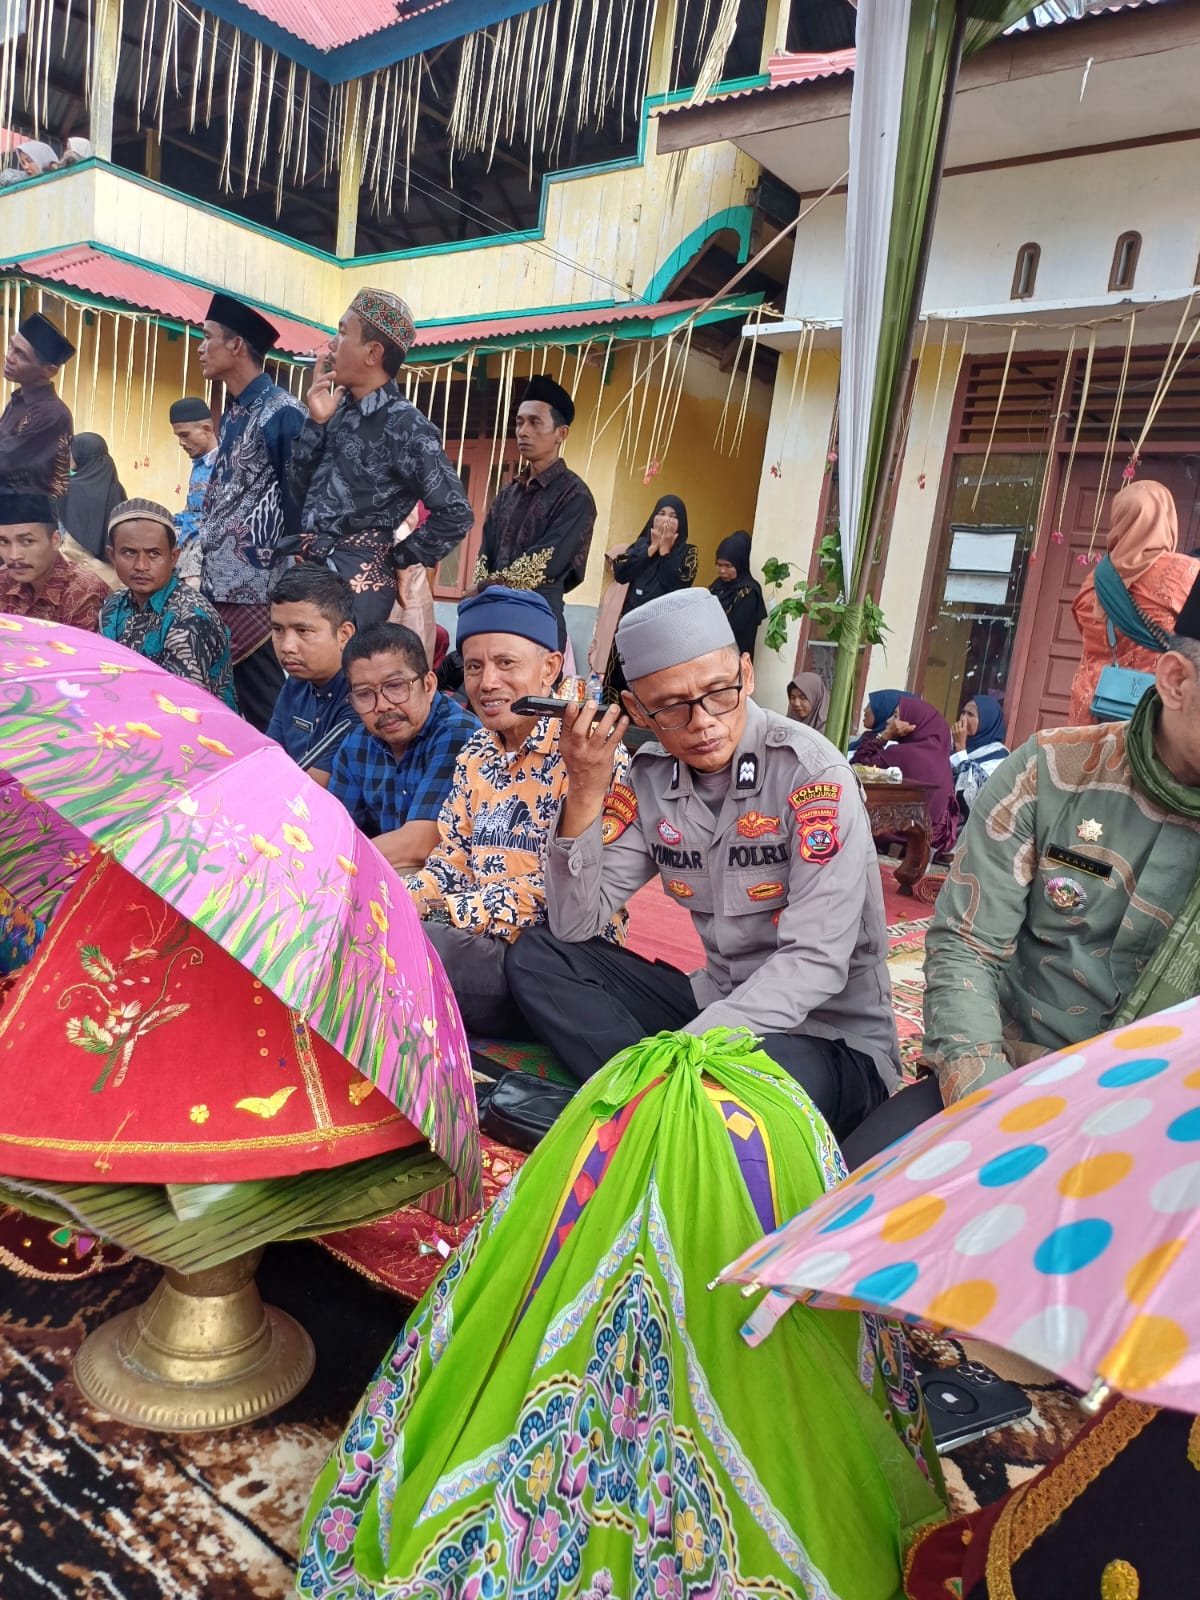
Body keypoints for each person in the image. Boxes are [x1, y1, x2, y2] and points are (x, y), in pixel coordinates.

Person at [297, 1030, 944, 1600]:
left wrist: (691, 1057)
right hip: (702, 1023)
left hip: (822, 1047)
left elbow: (808, 970)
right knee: (545, 970)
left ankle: (670, 1104)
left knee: (685, 1119)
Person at [505, 588, 901, 1140]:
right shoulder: (650, 778)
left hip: (827, 1039)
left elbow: (815, 961)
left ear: (746, 674)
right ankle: (657, 1103)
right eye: (671, 707)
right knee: (538, 958)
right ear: (637, 710)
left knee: (741, 1098)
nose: (702, 722)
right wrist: (587, 790)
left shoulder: (811, 776)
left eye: (719, 693)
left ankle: (636, 1099)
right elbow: (574, 924)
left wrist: (689, 1047)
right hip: (715, 1004)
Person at [842, 571, 1200, 1165]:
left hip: (1168, 1130)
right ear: (1177, 680)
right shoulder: (1052, 773)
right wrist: (995, 1116)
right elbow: (966, 948)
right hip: (1010, 1076)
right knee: (850, 1196)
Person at [405, 586, 629, 1036]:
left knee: (421, 948)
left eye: (506, 663)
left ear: (550, 668)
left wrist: (447, 912)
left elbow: (570, 893)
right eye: (474, 666)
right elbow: (452, 861)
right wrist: (397, 897)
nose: (487, 682)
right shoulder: (477, 752)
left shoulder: (594, 754)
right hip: (475, 940)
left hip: (559, 963)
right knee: (378, 923)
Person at [287, 289, 472, 628]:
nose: (331, 344)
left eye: (342, 332)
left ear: (373, 352)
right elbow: (297, 490)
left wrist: (397, 557)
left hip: (358, 582)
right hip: (311, 570)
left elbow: (456, 514)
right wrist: (316, 423)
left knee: (345, 663)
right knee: (301, 662)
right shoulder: (337, 410)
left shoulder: (406, 426)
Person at [196, 291, 304, 731]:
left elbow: (300, 503)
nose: (201, 347)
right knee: (224, 706)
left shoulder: (284, 413)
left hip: (258, 590)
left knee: (267, 709)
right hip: (218, 585)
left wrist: (295, 584)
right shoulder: (235, 413)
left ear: (236, 345)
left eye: (208, 337)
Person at [328, 622, 477, 869]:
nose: (382, 705)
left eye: (395, 686)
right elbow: (335, 828)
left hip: (448, 874)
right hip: (379, 865)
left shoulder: (458, 734)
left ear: (428, 685)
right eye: (364, 694)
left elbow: (419, 845)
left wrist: (329, 862)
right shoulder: (356, 743)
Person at [471, 374, 596, 650]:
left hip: (538, 618)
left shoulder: (576, 496)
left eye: (535, 422)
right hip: (491, 614)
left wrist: (484, 587)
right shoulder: (508, 492)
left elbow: (544, 562)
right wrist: (481, 590)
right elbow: (485, 552)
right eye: (519, 422)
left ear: (561, 434)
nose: (523, 431)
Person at [1069, 478, 1199, 723]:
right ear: (1166, 519)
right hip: (1151, 711)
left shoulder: (1092, 582)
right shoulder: (1185, 574)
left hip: (1094, 706)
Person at [99, 498, 236, 708]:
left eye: (154, 554)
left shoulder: (190, 618)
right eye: (129, 552)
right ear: (112, 555)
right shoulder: (113, 605)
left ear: (173, 557)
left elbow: (182, 706)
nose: (141, 565)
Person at [266, 565, 358, 782]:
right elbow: (268, 756)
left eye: (303, 631)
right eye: (278, 630)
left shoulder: (363, 697)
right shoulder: (296, 683)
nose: (287, 646)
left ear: (344, 634)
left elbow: (312, 788)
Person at [604, 494, 697, 696]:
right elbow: (621, 573)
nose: (666, 520)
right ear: (653, 518)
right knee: (619, 676)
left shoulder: (688, 553)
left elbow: (679, 584)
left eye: (673, 516)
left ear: (681, 523)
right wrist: (651, 549)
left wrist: (665, 552)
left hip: (661, 629)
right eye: (661, 513)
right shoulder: (640, 545)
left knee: (652, 682)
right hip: (630, 623)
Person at [852, 689, 959, 856]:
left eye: (896, 716)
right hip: (932, 842)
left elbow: (856, 768)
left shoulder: (901, 754)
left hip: (897, 837)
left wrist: (885, 735)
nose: (889, 721)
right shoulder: (942, 761)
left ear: (912, 723)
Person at [0, 488, 108, 628]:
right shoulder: (3, 579)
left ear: (55, 540)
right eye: (4, 542)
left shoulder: (82, 592)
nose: (14, 556)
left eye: (27, 541)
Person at [0, 312, 75, 497]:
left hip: (22, 514)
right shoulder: (18, 401)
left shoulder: (52, 414)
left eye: (21, 355)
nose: (9, 357)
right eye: (11, 346)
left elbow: (5, 462)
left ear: (49, 371)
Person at [56, 432, 125, 559]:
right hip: (110, 566)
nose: (68, 455)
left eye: (72, 451)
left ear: (82, 454)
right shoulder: (116, 488)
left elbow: (59, 533)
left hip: (72, 562)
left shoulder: (69, 488)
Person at [169, 396, 218, 566]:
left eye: (185, 435)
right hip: (186, 552)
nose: (181, 443)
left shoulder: (226, 466)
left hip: (208, 559)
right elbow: (193, 512)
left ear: (206, 430)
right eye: (178, 436)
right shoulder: (199, 465)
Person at [949, 692, 1009, 819]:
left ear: (986, 721)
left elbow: (972, 794)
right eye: (963, 713)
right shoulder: (952, 742)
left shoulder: (999, 756)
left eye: (970, 715)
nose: (963, 719)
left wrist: (960, 750)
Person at [709, 528, 766, 658]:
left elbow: (734, 628)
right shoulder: (717, 586)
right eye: (719, 565)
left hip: (735, 656)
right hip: (713, 653)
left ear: (740, 564)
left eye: (728, 566)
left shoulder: (748, 592)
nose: (722, 571)